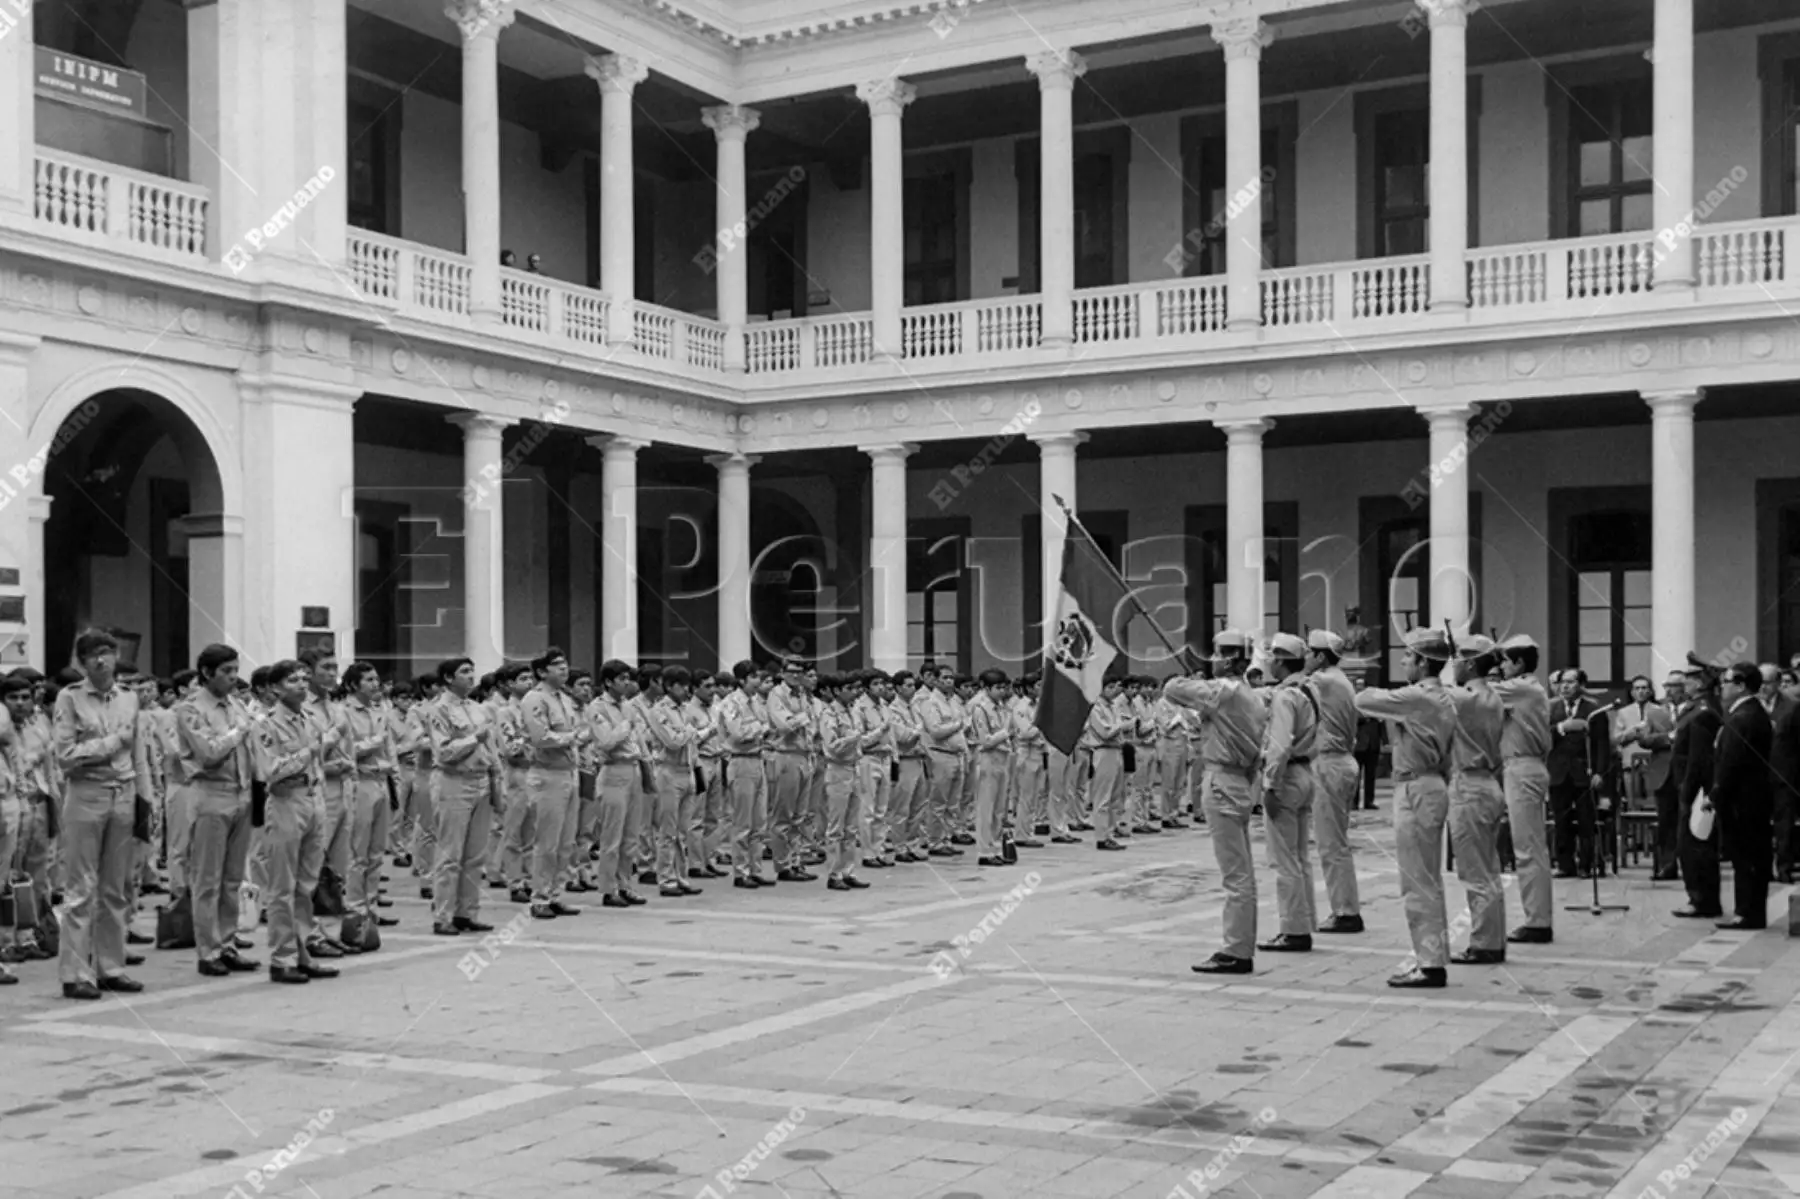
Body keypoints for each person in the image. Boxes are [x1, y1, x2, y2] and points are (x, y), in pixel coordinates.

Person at [1354, 627, 1457, 989]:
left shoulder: (1418, 696)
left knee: (1416, 880)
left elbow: (1364, 700)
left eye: (1408, 657)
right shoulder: (1442, 697)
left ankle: (1429, 965)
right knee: (1428, 878)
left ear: (1424, 662)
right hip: (1431, 782)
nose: (1403, 662)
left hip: (1415, 786)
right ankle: (1433, 957)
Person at [53, 629, 147, 999]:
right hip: (86, 794)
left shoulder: (129, 699)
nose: (102, 660)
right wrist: (111, 743)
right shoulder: (70, 698)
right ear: (82, 661)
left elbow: (137, 754)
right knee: (80, 888)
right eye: (94, 655)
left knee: (115, 889)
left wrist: (145, 799)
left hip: (122, 794)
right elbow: (66, 755)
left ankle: (111, 966)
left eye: (108, 653)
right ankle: (75, 973)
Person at [1166, 631, 1266, 976]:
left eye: (1218, 654)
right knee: (1243, 872)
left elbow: (1172, 689)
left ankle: (1237, 949)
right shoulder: (1250, 696)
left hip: (1222, 781)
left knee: (1235, 875)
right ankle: (1241, 944)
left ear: (1227, 659)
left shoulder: (1223, 691)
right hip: (1239, 781)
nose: (1214, 659)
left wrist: (1192, 680)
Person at [252, 659, 338, 985]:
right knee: (282, 887)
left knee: (306, 885)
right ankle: (281, 957)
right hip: (285, 801)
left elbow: (320, 758)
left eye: (304, 678)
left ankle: (303, 951)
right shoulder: (266, 724)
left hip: (313, 798)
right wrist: (308, 753)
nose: (301, 684)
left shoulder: (311, 719)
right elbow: (269, 770)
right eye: (292, 680)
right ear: (274, 688)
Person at [178, 644, 261, 977]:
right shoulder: (190, 709)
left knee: (232, 878)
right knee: (207, 879)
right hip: (210, 793)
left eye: (234, 670)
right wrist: (240, 730)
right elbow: (209, 752)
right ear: (207, 673)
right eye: (226, 671)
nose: (232, 677)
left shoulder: (236, 704)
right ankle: (207, 950)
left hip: (241, 793)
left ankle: (227, 943)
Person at [1445, 635, 1508, 965]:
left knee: (1475, 871)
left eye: (1456, 659)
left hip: (1469, 784)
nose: (1452, 665)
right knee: (1490, 869)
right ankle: (1493, 938)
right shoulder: (1493, 696)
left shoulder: (1464, 698)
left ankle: (1485, 943)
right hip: (1488, 782)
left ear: (1470, 663)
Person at [1257, 633, 1319, 954]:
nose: (1268, 662)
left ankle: (1293, 929)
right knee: (1301, 856)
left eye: (1271, 657)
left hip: (1288, 774)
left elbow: (1279, 746)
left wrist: (1269, 784)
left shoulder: (1286, 697)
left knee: (1284, 860)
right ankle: (1305, 920)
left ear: (1281, 660)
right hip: (1306, 771)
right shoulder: (1309, 689)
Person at [427, 658, 498, 934]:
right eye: (464, 672)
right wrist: (473, 739)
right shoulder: (438, 710)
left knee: (475, 854)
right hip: (453, 781)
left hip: (480, 780)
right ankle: (443, 915)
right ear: (448, 678)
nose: (471, 676)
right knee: (450, 853)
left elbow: (491, 749)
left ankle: (466, 912)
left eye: (472, 671)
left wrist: (495, 779)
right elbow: (443, 752)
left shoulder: (478, 709)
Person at [1492, 635, 1555, 943]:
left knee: (1528, 848)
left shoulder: (1521, 688)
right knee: (1529, 846)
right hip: (1522, 766)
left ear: (1518, 663)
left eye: (1504, 661)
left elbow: (1476, 695)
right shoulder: (1527, 688)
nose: (1501, 667)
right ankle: (1537, 916)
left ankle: (1538, 921)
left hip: (1522, 766)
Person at [1305, 630, 1363, 934]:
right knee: (1334, 841)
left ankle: (1346, 911)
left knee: (1331, 844)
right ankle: (1345, 907)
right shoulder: (1339, 680)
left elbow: (1287, 693)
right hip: (1338, 761)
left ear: (1320, 656)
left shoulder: (1323, 681)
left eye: (1308, 652)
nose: (1304, 658)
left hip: (1331, 762)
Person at [1713, 662, 1773, 930]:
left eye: (1726, 682)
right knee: (1750, 857)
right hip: (1752, 798)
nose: (1721, 687)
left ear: (1740, 686)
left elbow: (1731, 762)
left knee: (1746, 858)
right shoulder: (1750, 712)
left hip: (1743, 800)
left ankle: (1747, 913)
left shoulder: (1744, 716)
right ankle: (1749, 911)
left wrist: (1716, 793)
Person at [591, 659, 649, 907]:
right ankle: (608, 887)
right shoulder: (598, 708)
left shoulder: (628, 706)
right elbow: (606, 741)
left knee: (631, 834)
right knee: (612, 834)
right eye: (622, 679)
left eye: (628, 678)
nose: (627, 683)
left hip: (633, 769)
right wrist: (626, 725)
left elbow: (639, 740)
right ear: (608, 682)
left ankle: (626, 884)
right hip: (613, 770)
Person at [1672, 659, 1725, 920]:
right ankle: (1699, 896)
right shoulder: (1698, 708)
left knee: (1694, 844)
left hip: (1697, 789)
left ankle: (1701, 899)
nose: (1686, 683)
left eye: (1691, 678)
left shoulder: (1703, 712)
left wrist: (1687, 791)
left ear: (1703, 682)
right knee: (1691, 844)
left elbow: (1698, 759)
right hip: (1692, 786)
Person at [1547, 668, 1609, 878]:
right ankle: (1564, 864)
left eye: (1571, 682)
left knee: (1586, 820)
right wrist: (1562, 728)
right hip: (1557, 772)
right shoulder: (1550, 708)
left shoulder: (1594, 710)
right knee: (1561, 820)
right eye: (1562, 682)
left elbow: (1602, 744)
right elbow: (1542, 736)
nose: (1565, 686)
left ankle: (1586, 864)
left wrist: (1600, 772)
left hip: (1585, 771)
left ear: (1581, 685)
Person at [646, 665, 702, 898]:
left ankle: (681, 875)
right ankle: (666, 878)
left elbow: (692, 739)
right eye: (681, 685)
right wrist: (690, 731)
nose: (686, 690)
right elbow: (672, 741)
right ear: (669, 687)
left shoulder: (685, 710)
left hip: (687, 769)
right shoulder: (659, 711)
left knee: (682, 830)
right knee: (667, 830)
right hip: (667, 771)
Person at [817, 674, 870, 891]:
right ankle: (834, 873)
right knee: (836, 826)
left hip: (854, 767)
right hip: (837, 769)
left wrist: (862, 738)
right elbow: (832, 746)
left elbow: (860, 739)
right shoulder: (829, 714)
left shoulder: (853, 711)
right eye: (849, 687)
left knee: (851, 826)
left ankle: (848, 870)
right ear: (837, 691)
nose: (854, 691)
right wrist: (854, 738)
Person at [917, 662, 967, 860]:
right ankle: (935, 840)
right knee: (938, 802)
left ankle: (947, 838)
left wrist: (958, 726)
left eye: (950, 677)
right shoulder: (930, 702)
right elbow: (935, 730)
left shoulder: (954, 702)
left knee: (953, 803)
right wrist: (957, 725)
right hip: (940, 754)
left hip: (957, 754)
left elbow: (965, 724)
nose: (949, 681)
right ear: (936, 680)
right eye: (944, 677)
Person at [967, 668, 1016, 867]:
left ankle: (995, 846)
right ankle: (984, 851)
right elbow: (984, 740)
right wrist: (1005, 734)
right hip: (987, 758)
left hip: (1002, 758)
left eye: (1003, 688)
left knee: (999, 809)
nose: (1001, 691)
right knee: (986, 808)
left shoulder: (1002, 707)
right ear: (986, 688)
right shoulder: (980, 708)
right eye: (997, 688)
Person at [1768, 669, 1799, 885]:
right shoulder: (1750, 706)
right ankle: (1761, 867)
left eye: (1767, 682)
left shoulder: (1792, 707)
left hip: (1784, 773)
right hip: (1755, 775)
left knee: (1784, 824)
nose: (1762, 687)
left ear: (1778, 683)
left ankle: (1784, 866)